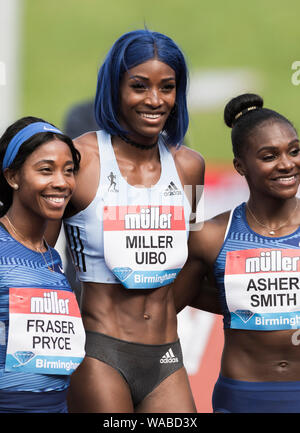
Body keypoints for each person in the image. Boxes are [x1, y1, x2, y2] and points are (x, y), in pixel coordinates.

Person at [47, 29, 205, 413]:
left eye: (167, 87)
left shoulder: (190, 167)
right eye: (139, 86)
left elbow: (194, 249)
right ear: (114, 88)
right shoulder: (81, 160)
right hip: (100, 354)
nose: (155, 100)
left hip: (167, 355)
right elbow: (38, 254)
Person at [175, 93, 300, 413]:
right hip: (242, 397)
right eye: (269, 156)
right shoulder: (211, 236)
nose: (287, 164)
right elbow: (169, 303)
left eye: (294, 151)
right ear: (240, 166)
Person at [0, 116, 85, 413]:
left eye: (69, 171)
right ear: (12, 177)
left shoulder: (49, 256)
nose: (61, 182)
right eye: (46, 170)